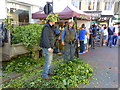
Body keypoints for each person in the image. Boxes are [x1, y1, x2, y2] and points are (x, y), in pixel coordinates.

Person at [40, 14, 58, 80]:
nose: (55, 22)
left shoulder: (50, 27)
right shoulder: (46, 28)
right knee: (48, 61)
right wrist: (49, 47)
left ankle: (48, 72)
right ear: (51, 20)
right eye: (54, 21)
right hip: (47, 47)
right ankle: (44, 75)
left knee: (49, 60)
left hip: (50, 46)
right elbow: (45, 38)